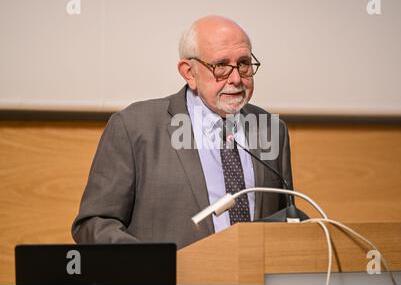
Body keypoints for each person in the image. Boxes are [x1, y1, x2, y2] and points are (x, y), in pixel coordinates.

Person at [72, 15, 294, 249]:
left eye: (244, 64)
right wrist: (150, 263)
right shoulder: (134, 127)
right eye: (221, 66)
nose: (236, 78)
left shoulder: (270, 128)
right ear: (189, 72)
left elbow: (286, 220)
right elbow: (94, 223)